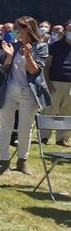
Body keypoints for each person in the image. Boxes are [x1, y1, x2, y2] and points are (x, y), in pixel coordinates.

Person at [0, 16, 51, 175]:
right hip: (10, 90)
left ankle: (22, 162)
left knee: (26, 129)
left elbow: (35, 71)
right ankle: (4, 162)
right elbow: (4, 70)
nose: (15, 31)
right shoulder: (13, 43)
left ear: (29, 29)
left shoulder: (41, 47)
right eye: (15, 27)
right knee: (6, 126)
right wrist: (9, 56)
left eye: (19, 28)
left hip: (29, 92)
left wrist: (27, 55)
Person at [39, 19, 70, 147]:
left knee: (68, 112)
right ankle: (44, 136)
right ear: (65, 30)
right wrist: (48, 83)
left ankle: (62, 138)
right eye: (70, 28)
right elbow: (47, 66)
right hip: (55, 82)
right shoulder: (55, 46)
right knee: (49, 110)